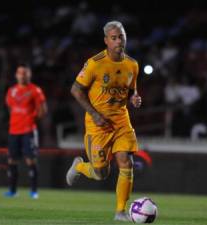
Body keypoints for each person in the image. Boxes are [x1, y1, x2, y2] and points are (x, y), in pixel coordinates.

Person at [66, 21, 142, 222]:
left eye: (121, 36)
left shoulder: (132, 64)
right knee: (101, 173)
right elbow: (75, 89)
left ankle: (120, 212)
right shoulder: (95, 63)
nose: (119, 41)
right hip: (98, 125)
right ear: (106, 41)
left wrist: (134, 97)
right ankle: (80, 166)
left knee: (126, 161)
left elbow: (131, 90)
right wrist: (94, 113)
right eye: (114, 38)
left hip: (121, 122)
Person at [4, 64, 47, 199]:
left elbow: (43, 110)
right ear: (16, 75)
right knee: (12, 160)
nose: (22, 75)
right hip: (13, 130)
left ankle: (34, 191)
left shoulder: (35, 90)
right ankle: (12, 190)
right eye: (20, 73)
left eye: (25, 73)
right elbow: (10, 107)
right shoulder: (11, 91)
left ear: (29, 74)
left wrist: (32, 119)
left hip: (28, 130)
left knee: (31, 160)